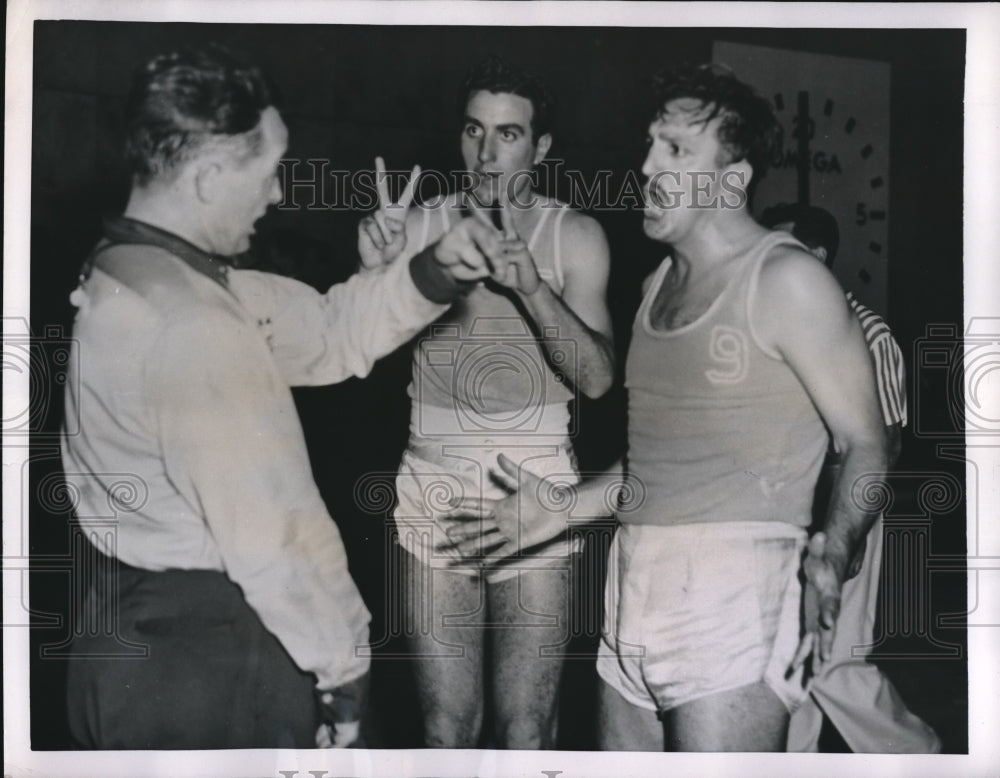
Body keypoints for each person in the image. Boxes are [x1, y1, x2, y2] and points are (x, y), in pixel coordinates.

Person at [60, 44, 507, 750]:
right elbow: (278, 542)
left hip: (119, 638)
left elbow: (326, 331)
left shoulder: (134, 271)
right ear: (208, 178)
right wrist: (346, 669)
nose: (276, 196)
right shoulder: (195, 326)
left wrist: (431, 271)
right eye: (267, 174)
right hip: (206, 660)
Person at [441, 63, 890, 752]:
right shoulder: (657, 285)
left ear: (732, 180)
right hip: (633, 590)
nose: (646, 166)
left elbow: (865, 442)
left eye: (676, 150)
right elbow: (654, 469)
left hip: (735, 594)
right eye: (650, 144)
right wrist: (561, 508)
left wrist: (836, 550)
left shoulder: (788, 279)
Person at [362, 55, 615, 748]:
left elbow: (596, 380)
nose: (485, 152)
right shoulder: (416, 227)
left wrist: (532, 288)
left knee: (526, 728)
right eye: (474, 131)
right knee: (447, 728)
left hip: (533, 485)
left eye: (508, 134)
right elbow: (356, 349)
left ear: (541, 148)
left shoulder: (576, 236)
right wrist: (373, 269)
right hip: (431, 482)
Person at [760, 203, 941, 753]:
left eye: (781, 252)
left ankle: (920, 757)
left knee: (835, 661)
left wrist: (848, 537)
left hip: (843, 513)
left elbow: (884, 445)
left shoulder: (868, 332)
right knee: (793, 662)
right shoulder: (788, 330)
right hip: (790, 511)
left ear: (816, 258)